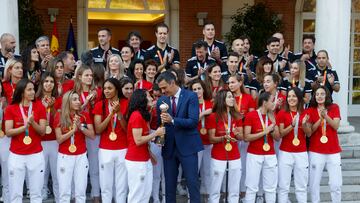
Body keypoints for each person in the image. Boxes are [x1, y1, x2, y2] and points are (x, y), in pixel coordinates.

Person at [156, 71, 203, 202]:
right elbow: (159, 125)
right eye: (160, 88)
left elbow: (193, 121)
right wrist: (158, 139)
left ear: (172, 83)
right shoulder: (161, 100)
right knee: (169, 186)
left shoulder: (191, 96)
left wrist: (173, 120)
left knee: (192, 184)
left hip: (188, 146)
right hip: (169, 148)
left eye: (164, 87)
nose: (163, 91)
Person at [5, 78, 46, 203]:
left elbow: (42, 131)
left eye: (33, 89)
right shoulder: (11, 108)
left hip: (35, 154)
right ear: (22, 92)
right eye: (29, 90)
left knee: (36, 194)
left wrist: (32, 122)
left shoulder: (39, 106)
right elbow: (8, 132)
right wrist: (24, 127)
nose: (33, 92)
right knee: (16, 194)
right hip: (17, 155)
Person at [54, 90, 95, 203]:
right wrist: (73, 131)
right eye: (75, 99)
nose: (78, 102)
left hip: (81, 156)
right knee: (64, 192)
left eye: (78, 99)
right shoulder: (59, 115)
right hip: (64, 157)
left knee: (81, 192)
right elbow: (59, 139)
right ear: (68, 102)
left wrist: (81, 127)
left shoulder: (84, 115)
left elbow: (92, 135)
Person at [125, 89, 165, 202]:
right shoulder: (136, 116)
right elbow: (138, 140)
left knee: (145, 194)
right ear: (141, 99)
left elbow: (143, 138)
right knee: (136, 195)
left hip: (144, 158)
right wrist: (156, 134)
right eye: (148, 96)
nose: (152, 98)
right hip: (136, 160)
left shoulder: (142, 115)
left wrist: (151, 151)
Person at [93, 78, 128, 203]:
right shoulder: (100, 105)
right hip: (105, 149)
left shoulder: (126, 103)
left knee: (121, 186)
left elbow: (127, 129)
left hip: (123, 148)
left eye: (110, 88)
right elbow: (98, 129)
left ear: (117, 90)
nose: (106, 91)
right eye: (105, 88)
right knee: (106, 185)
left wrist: (118, 114)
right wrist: (110, 114)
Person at [243, 92, 280, 203]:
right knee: (251, 187)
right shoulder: (251, 115)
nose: (274, 103)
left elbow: (277, 138)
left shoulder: (272, 115)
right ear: (264, 102)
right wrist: (265, 131)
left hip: (270, 155)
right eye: (271, 101)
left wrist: (273, 123)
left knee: (271, 188)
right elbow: (246, 137)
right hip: (254, 155)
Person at [307, 86, 342, 203]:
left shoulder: (334, 107)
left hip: (333, 151)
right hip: (316, 151)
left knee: (336, 183)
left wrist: (326, 116)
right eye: (317, 94)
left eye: (322, 94)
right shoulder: (310, 110)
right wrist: (320, 119)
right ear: (314, 96)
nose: (319, 96)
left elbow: (336, 126)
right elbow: (310, 131)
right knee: (314, 183)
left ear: (327, 95)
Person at [207, 90, 243, 203]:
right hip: (218, 155)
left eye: (232, 97)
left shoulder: (236, 116)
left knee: (234, 188)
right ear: (222, 99)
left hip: (235, 155)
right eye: (229, 97)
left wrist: (237, 134)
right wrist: (223, 138)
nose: (232, 99)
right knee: (215, 188)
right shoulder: (213, 117)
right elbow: (211, 139)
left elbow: (241, 137)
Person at [276, 87, 311, 203]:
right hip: (285, 152)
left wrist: (304, 124)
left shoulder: (305, 113)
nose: (291, 98)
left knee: (301, 185)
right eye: (289, 96)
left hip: (301, 152)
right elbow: (280, 134)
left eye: (294, 96)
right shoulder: (282, 113)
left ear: (299, 98)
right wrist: (292, 125)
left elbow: (309, 133)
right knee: (283, 185)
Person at [73, 64, 102, 202]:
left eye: (91, 75)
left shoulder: (98, 92)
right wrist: (85, 104)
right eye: (86, 75)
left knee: (94, 164)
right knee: (77, 164)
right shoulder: (74, 93)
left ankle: (96, 194)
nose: (89, 78)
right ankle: (76, 194)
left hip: (92, 131)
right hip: (76, 130)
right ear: (79, 77)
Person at [35, 72, 59, 201]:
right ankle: (41, 193)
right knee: (41, 170)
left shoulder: (58, 99)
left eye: (51, 81)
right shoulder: (36, 99)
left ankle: (59, 195)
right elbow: (36, 120)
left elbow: (59, 120)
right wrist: (44, 108)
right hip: (41, 140)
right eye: (46, 81)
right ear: (41, 83)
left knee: (56, 171)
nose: (49, 84)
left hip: (55, 140)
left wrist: (52, 107)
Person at [188, 79, 213, 196]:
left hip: (209, 141)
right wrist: (203, 113)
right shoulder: (189, 103)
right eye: (194, 89)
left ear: (203, 89)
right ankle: (191, 196)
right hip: (195, 142)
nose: (197, 91)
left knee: (208, 171)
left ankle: (208, 194)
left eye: (199, 88)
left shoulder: (210, 103)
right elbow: (191, 122)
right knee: (194, 171)